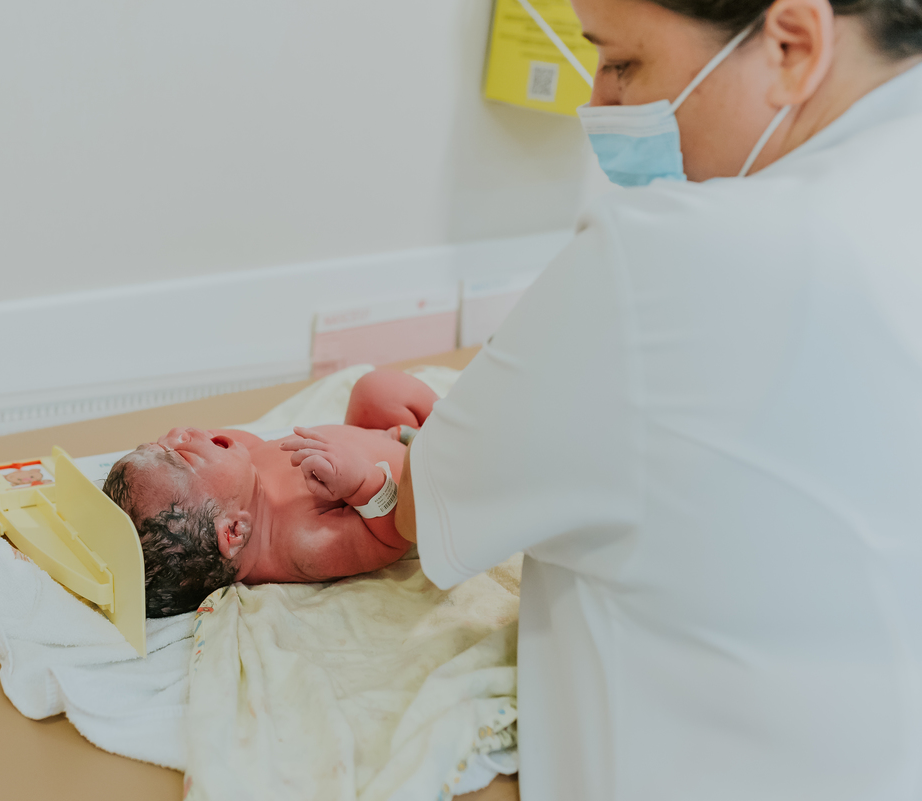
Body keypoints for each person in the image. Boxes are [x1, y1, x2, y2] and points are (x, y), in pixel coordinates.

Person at [386, 0, 921, 797]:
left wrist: (413, 460)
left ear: (791, 45)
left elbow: (420, 507)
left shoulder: (666, 253)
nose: (598, 102)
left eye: (622, 62)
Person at [102, 369, 438, 617]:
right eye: (181, 455)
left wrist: (213, 448)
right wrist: (361, 484)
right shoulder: (300, 543)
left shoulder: (243, 486)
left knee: (375, 389)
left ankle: (443, 423)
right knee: (390, 393)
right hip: (430, 481)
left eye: (162, 443)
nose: (179, 432)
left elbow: (252, 448)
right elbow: (392, 537)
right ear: (233, 531)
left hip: (386, 436)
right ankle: (461, 434)